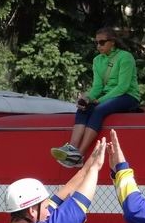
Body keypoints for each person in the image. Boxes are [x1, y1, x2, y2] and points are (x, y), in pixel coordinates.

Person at [50, 28, 138, 168]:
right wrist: (87, 98)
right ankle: (72, 148)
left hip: (128, 96)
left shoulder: (125, 57)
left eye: (102, 42)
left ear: (112, 42)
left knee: (99, 110)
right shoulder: (97, 60)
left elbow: (123, 87)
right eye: (96, 43)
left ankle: (79, 155)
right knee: (83, 108)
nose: (98, 46)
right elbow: (97, 87)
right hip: (108, 97)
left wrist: (99, 101)